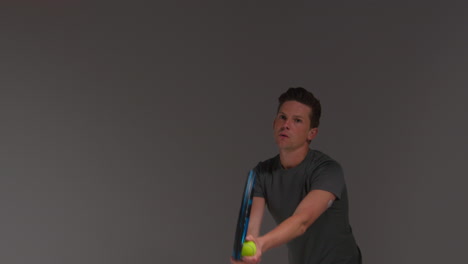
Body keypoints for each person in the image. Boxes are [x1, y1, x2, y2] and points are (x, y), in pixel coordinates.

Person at [231, 87, 361, 264]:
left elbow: (302, 221)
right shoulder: (261, 173)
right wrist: (248, 251)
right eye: (282, 117)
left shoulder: (328, 170)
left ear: (311, 133)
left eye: (297, 120)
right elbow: (251, 230)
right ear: (274, 123)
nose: (286, 125)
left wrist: (261, 244)